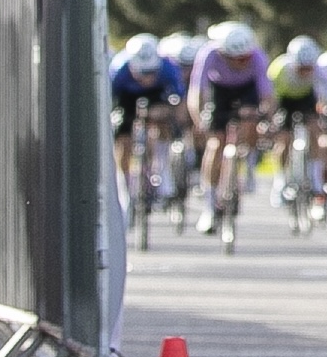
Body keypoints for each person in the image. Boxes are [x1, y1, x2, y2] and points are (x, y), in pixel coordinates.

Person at [186, 21, 272, 233]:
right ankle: (209, 205)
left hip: (246, 90)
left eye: (244, 58)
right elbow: (196, 92)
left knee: (251, 122)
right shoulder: (209, 54)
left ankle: (247, 164)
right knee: (215, 144)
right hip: (220, 91)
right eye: (234, 59)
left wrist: (265, 117)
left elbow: (267, 96)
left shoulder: (257, 57)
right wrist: (199, 120)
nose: (240, 63)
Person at [109, 33, 184, 209]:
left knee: (162, 122)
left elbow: (179, 100)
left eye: (151, 72)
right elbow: (109, 101)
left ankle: (162, 170)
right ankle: (125, 185)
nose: (146, 78)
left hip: (156, 95)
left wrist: (170, 114)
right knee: (123, 138)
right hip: (127, 97)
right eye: (142, 72)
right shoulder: (119, 69)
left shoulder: (168, 67)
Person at [267, 35, 327, 205]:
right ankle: (280, 180)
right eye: (301, 68)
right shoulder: (279, 69)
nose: (305, 72)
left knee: (315, 130)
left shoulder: (319, 70)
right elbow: (270, 98)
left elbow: (326, 95)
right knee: (284, 139)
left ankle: (315, 177)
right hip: (284, 101)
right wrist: (271, 119)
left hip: (306, 99)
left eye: (308, 69)